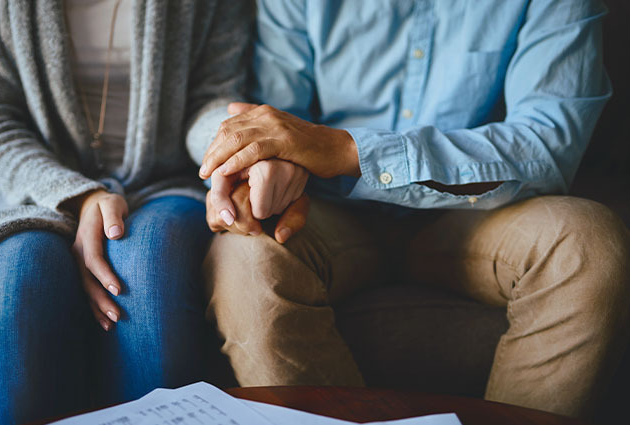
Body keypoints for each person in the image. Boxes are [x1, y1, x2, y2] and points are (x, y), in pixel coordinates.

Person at [194, 0, 630, 419]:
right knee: (245, 256)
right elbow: (274, 118)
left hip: (477, 215)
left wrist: (348, 150)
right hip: (329, 213)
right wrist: (262, 171)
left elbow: (547, 145)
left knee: (588, 242)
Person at [0, 0, 252, 423]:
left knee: (148, 264)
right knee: (15, 274)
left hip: (166, 180)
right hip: (31, 188)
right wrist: (77, 195)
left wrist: (229, 145)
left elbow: (213, 97)